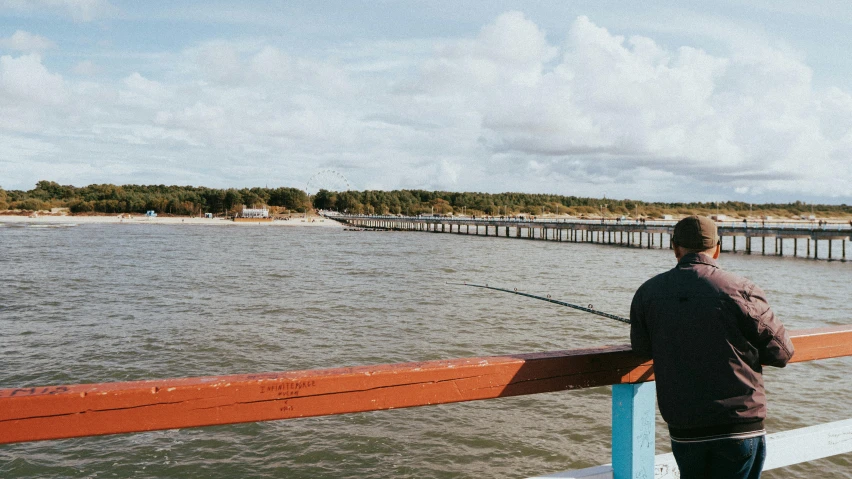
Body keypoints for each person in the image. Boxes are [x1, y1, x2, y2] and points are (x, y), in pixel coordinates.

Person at [630, 215, 794, 479]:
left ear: (675, 248)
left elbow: (641, 349)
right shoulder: (742, 289)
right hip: (739, 424)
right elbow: (782, 353)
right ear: (718, 248)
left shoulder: (648, 292)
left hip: (686, 428)